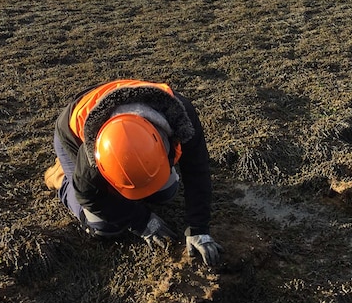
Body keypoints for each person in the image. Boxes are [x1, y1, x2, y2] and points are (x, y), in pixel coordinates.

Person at [44, 79, 223, 266]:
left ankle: (130, 188)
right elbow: (87, 194)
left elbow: (197, 170)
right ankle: (62, 178)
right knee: (104, 227)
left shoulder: (181, 116)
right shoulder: (92, 155)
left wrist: (199, 229)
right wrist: (141, 221)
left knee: (166, 193)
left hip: (119, 110)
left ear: (164, 146)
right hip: (73, 132)